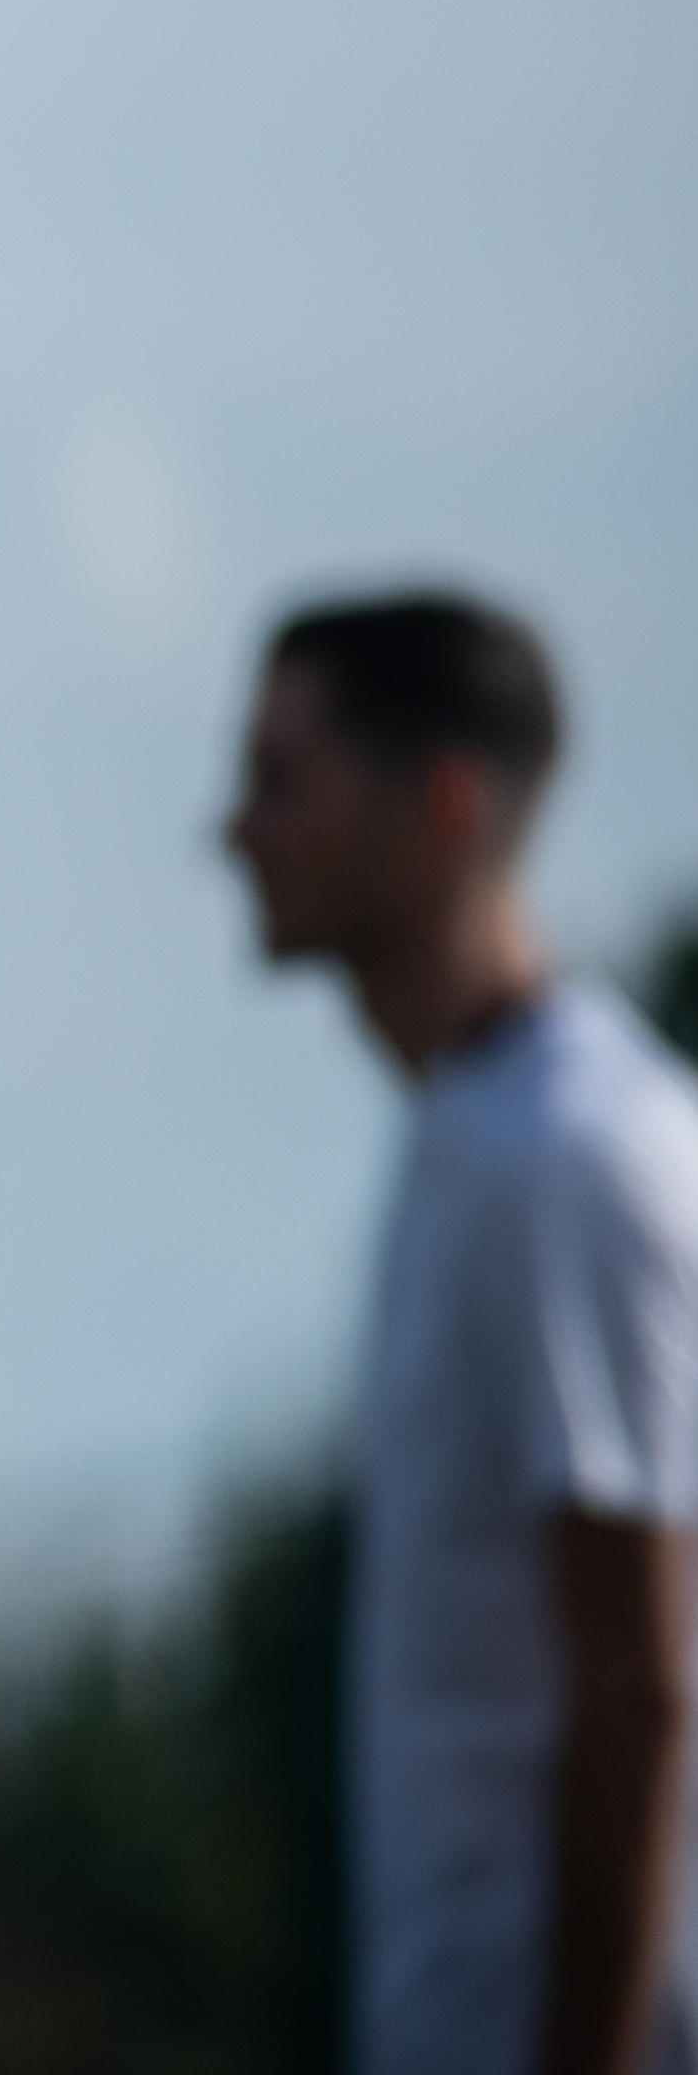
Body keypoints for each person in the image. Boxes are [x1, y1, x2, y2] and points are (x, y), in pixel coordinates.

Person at [227, 588, 698, 2075]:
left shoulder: (563, 1156)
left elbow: (642, 1683)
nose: (231, 831)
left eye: (278, 782)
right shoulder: (473, 1138)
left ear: (438, 805)